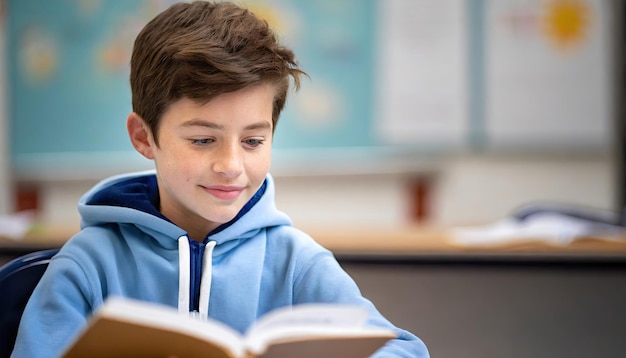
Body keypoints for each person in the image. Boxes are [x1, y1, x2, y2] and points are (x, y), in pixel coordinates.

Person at [12, 2, 429, 357]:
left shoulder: (296, 263)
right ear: (144, 136)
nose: (231, 164)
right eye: (203, 139)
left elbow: (406, 349)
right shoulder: (89, 266)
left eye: (252, 140)